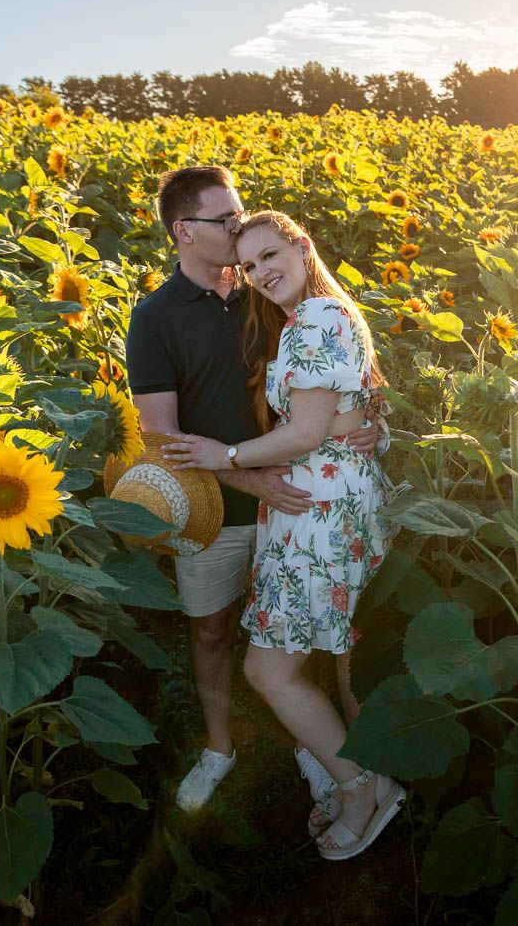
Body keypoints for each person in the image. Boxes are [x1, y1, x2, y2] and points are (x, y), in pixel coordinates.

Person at [125, 167, 381, 811]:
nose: (241, 231)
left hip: (300, 502)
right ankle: (220, 748)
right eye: (225, 221)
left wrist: (371, 425)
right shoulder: (155, 317)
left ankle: (319, 751)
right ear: (183, 232)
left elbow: (339, 377)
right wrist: (249, 479)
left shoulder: (269, 293)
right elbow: (161, 435)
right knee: (212, 631)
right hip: (210, 504)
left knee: (313, 631)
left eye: (245, 222)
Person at [162, 210, 403, 861]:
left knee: (269, 668)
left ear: (302, 245)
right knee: (322, 652)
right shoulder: (326, 314)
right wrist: (369, 427)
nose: (263, 273)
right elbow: (351, 408)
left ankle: (363, 787)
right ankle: (359, 777)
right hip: (328, 504)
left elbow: (306, 431)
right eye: (251, 265)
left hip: (319, 512)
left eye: (272, 255)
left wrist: (225, 456)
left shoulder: (316, 320)